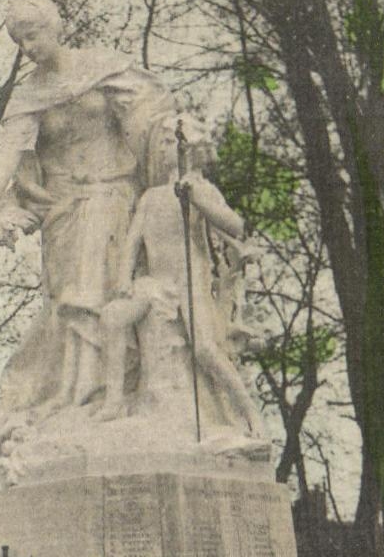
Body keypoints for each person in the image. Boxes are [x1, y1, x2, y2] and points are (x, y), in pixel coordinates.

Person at [0, 0, 176, 439]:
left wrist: (173, 163)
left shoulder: (103, 67)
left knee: (103, 289)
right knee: (67, 301)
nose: (28, 48)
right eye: (19, 41)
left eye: (33, 34)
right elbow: (9, 153)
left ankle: (109, 394)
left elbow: (151, 120)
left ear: (55, 26)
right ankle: (77, 394)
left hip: (113, 194)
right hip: (63, 209)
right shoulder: (29, 96)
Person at [94, 117, 265, 442]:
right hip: (155, 283)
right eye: (162, 143)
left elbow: (236, 226)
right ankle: (114, 401)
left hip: (191, 282)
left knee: (205, 349)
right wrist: (123, 278)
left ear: (189, 148)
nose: (164, 148)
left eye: (171, 142)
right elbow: (132, 241)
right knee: (113, 317)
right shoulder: (151, 197)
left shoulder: (200, 189)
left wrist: (198, 200)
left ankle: (248, 411)